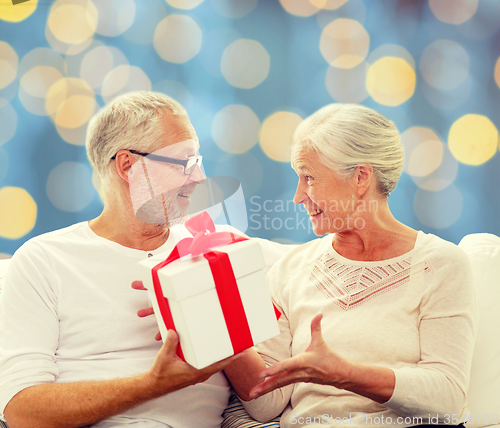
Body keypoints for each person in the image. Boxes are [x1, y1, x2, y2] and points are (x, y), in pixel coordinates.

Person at [0, 91, 290, 428]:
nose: (197, 178)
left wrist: (212, 318)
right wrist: (154, 384)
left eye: (197, 162)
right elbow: (22, 411)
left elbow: (265, 405)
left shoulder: (214, 249)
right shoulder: (44, 259)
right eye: (184, 162)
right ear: (128, 165)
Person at [241, 104, 478, 428]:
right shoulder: (289, 270)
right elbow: (265, 403)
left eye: (308, 177)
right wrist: (217, 333)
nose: (298, 196)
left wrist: (345, 375)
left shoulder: (440, 265)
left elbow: (448, 398)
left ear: (361, 177)